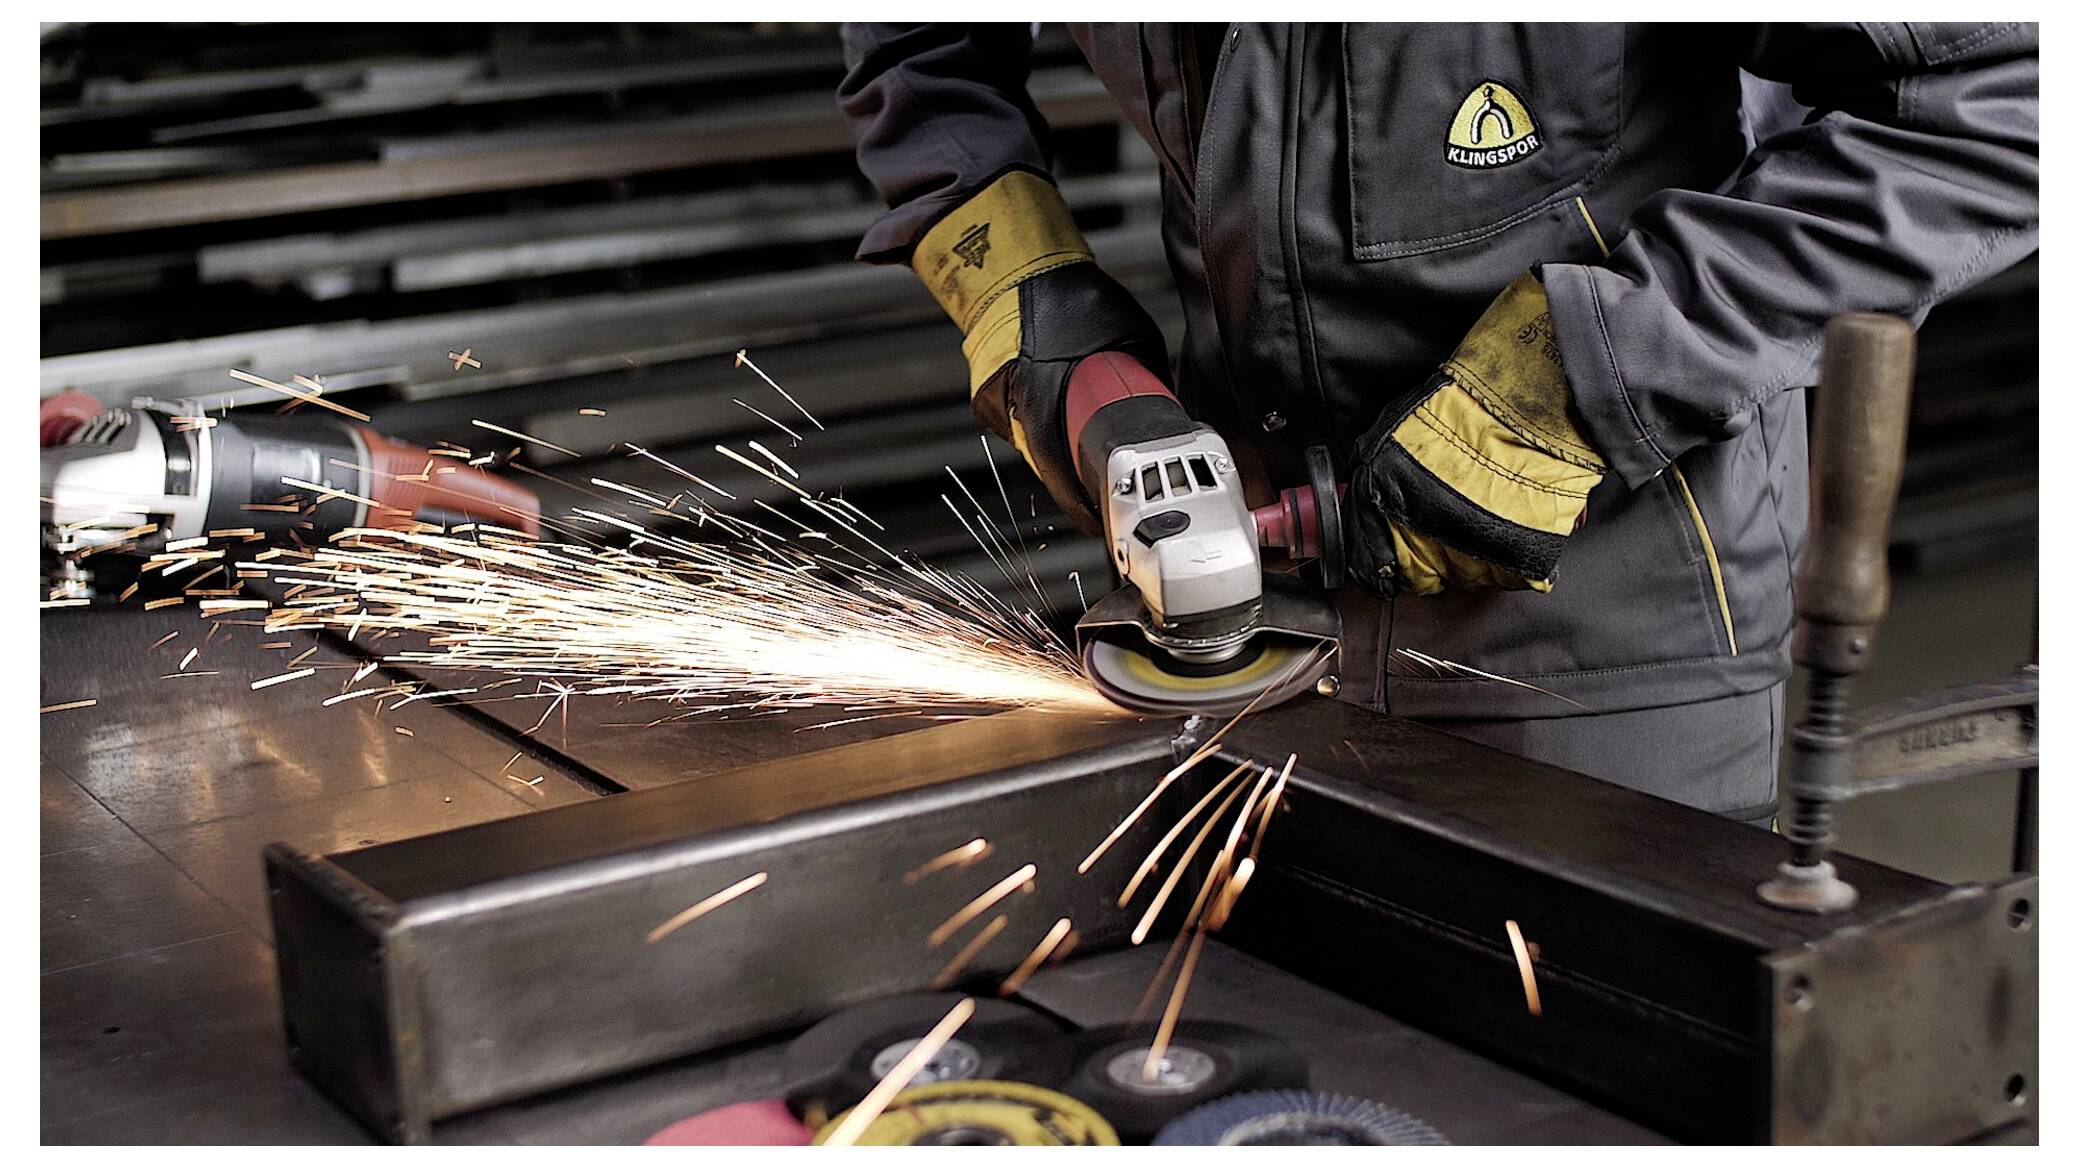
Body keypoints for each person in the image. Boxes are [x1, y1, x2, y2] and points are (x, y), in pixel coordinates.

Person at [837, 23, 2038, 823]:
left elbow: (2010, 103)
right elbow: (918, 53)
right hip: (1265, 622)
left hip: (1603, 632)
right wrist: (1058, 338)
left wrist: (1578, 377)